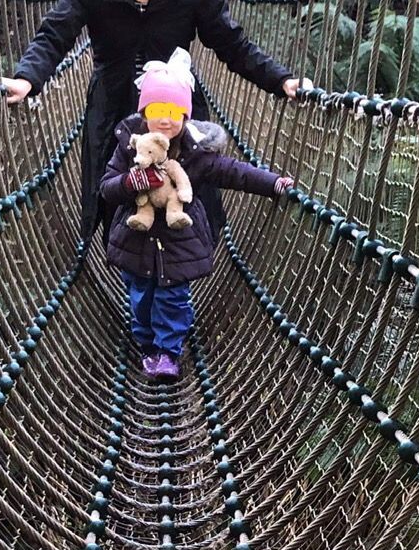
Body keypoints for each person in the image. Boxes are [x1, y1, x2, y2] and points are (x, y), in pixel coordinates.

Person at [3, 0, 305, 242]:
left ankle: (184, 270)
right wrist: (27, 77)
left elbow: (231, 42)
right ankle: (129, 272)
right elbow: (57, 31)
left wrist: (280, 80)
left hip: (175, 114)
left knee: (186, 198)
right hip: (114, 113)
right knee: (121, 206)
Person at [103, 52, 294, 378]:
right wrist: (129, 182)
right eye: (157, 111)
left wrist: (273, 183)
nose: (165, 120)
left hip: (179, 242)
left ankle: (168, 351)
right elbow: (107, 187)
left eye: (173, 112)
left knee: (173, 298)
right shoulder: (130, 146)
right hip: (135, 241)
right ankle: (147, 344)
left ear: (185, 114)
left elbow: (234, 172)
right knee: (141, 298)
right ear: (145, 112)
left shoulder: (195, 151)